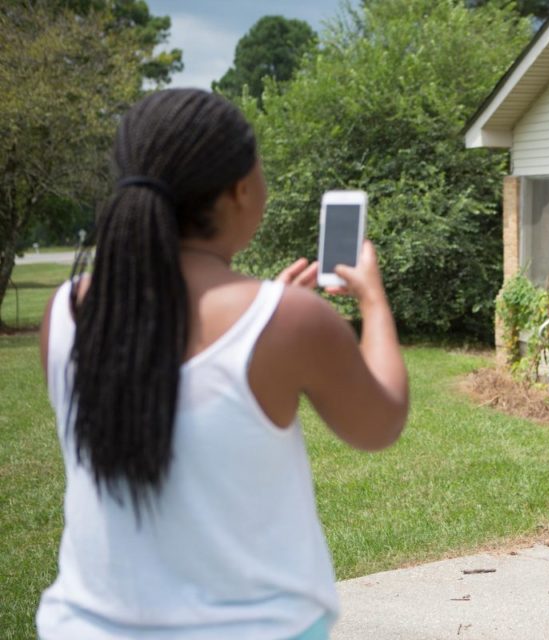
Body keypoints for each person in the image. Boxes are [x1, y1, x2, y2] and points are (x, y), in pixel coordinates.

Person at [36, 89, 409, 639]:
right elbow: (381, 422)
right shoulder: (289, 321)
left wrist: (268, 316)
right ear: (240, 190)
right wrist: (373, 303)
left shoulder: (65, 310)